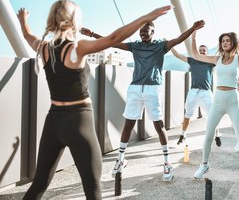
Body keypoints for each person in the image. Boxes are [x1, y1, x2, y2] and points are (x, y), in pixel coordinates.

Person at [17, 0, 171, 199]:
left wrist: (23, 21)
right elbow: (114, 37)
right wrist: (147, 17)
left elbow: (28, 37)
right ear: (74, 21)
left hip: (53, 121)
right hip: (79, 122)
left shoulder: (44, 48)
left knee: (38, 186)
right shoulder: (76, 48)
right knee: (92, 188)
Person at [82, 19, 205, 182]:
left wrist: (192, 28)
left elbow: (178, 39)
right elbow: (113, 43)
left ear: (152, 32)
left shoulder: (161, 46)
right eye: (140, 31)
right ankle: (120, 159)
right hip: (135, 89)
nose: (141, 33)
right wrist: (92, 34)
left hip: (152, 89)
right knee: (128, 124)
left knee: (158, 125)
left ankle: (167, 163)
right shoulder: (135, 46)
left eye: (145, 31)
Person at [191, 19, 239, 187]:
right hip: (217, 100)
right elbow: (196, 55)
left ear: (233, 43)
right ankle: (204, 165)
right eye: (222, 41)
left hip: (232, 101)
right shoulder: (216, 59)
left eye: (228, 41)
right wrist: (194, 34)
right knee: (208, 135)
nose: (225, 43)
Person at [170, 45, 221, 147]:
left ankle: (217, 135)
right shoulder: (192, 60)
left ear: (207, 52)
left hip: (206, 92)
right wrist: (170, 45)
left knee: (213, 115)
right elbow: (178, 55)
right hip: (193, 92)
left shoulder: (211, 62)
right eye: (200, 50)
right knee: (187, 115)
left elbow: (223, 57)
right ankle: (183, 135)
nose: (202, 52)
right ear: (198, 52)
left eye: (204, 51)